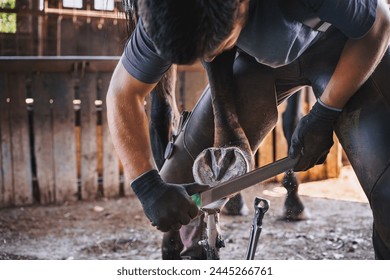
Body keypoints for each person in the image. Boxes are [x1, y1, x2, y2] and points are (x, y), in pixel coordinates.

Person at [107, 0, 390, 259]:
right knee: (177, 186)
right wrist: (147, 186)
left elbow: (378, 23)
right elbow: (122, 92)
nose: (208, 54)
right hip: (259, 62)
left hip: (350, 48)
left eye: (216, 43)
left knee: (387, 195)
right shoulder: (167, 9)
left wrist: (326, 111)